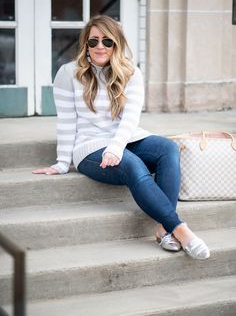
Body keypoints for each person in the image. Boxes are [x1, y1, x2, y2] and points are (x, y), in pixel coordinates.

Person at [33, 15, 210, 260]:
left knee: (168, 148)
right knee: (132, 164)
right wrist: (63, 162)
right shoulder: (68, 74)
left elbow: (130, 119)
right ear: (85, 44)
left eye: (107, 41)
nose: (100, 47)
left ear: (117, 44)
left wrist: (116, 147)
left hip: (124, 140)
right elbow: (66, 121)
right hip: (89, 147)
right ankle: (180, 230)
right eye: (93, 41)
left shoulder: (130, 73)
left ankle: (164, 229)